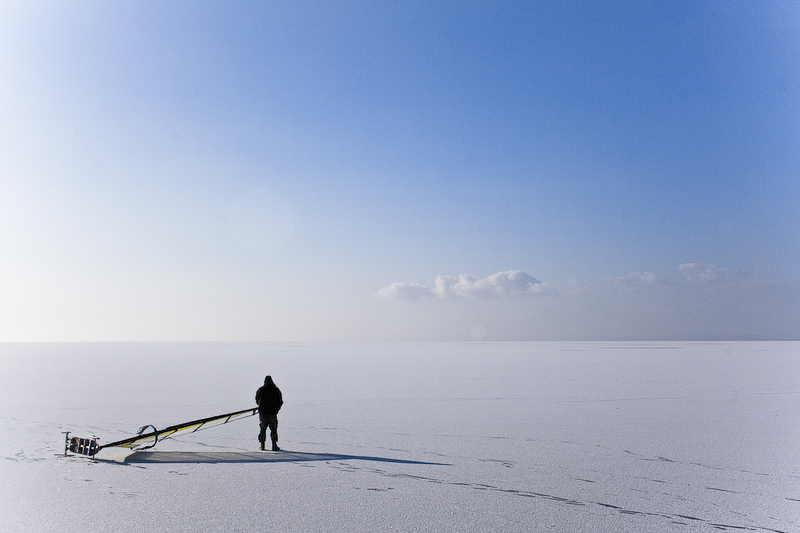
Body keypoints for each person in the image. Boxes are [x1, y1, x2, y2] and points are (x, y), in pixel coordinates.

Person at [256, 375, 283, 451]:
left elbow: (257, 399)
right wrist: (276, 410)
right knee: (273, 430)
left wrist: (260, 407)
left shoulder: (261, 390)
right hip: (272, 414)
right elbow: (280, 401)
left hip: (263, 413)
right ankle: (274, 445)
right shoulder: (276, 390)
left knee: (262, 429)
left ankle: (262, 445)